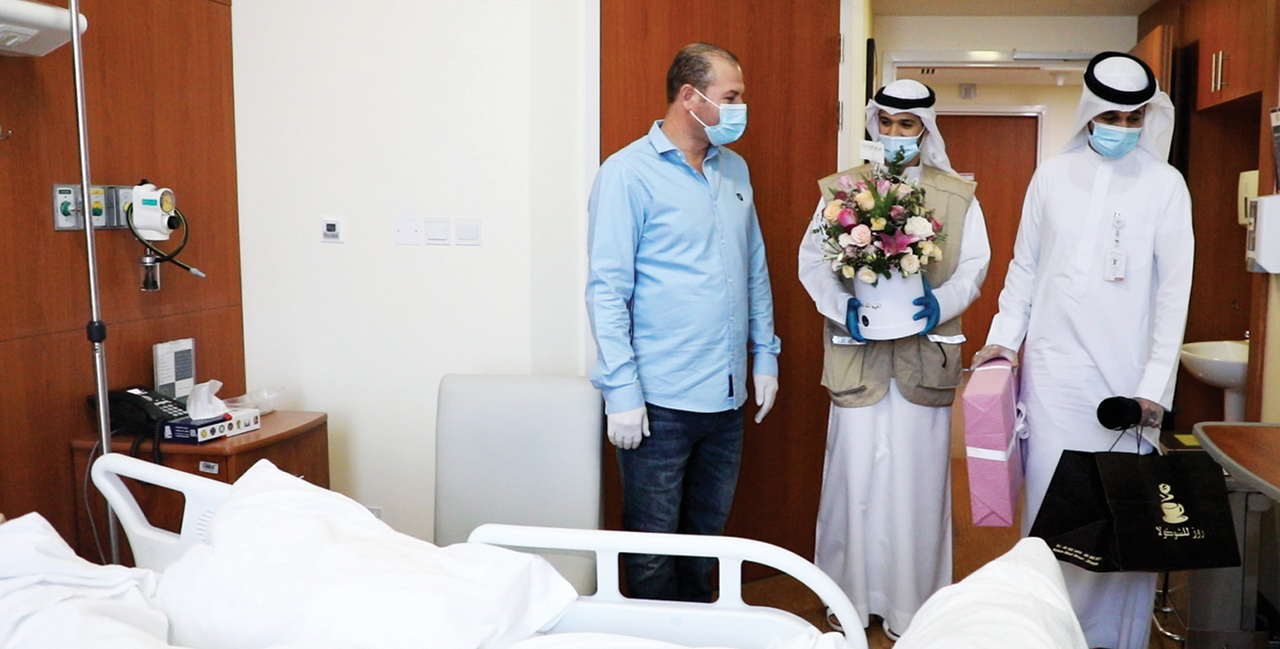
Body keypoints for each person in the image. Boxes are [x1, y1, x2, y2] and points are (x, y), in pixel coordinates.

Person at [972, 51, 1194, 649]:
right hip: (1053, 381)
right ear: (1090, 113)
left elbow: (1174, 294)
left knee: (1122, 519)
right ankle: (1049, 635)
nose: (1122, 127)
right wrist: (1003, 340)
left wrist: (1153, 388)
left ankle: (1114, 641)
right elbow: (1024, 268)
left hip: (1126, 388)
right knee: (1053, 519)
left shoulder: (1166, 185)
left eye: (1134, 117)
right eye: (1112, 116)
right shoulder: (1050, 176)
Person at [585, 42, 782, 603]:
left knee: (707, 544)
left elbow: (753, 268)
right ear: (690, 96)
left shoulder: (734, 168)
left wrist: (764, 356)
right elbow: (607, 290)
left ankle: (700, 631)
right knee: (651, 551)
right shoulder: (627, 174)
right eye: (731, 97)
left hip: (726, 398)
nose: (740, 109)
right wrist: (621, 391)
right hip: (658, 404)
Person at [798, 79, 991, 638]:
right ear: (873, 124)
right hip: (856, 358)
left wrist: (941, 305)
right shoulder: (842, 188)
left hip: (924, 359)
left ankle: (912, 607)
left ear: (926, 130)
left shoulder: (958, 195)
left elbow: (973, 267)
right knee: (852, 481)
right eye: (886, 123)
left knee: (917, 487)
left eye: (907, 125)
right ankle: (849, 602)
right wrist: (839, 306)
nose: (895, 134)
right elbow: (812, 263)